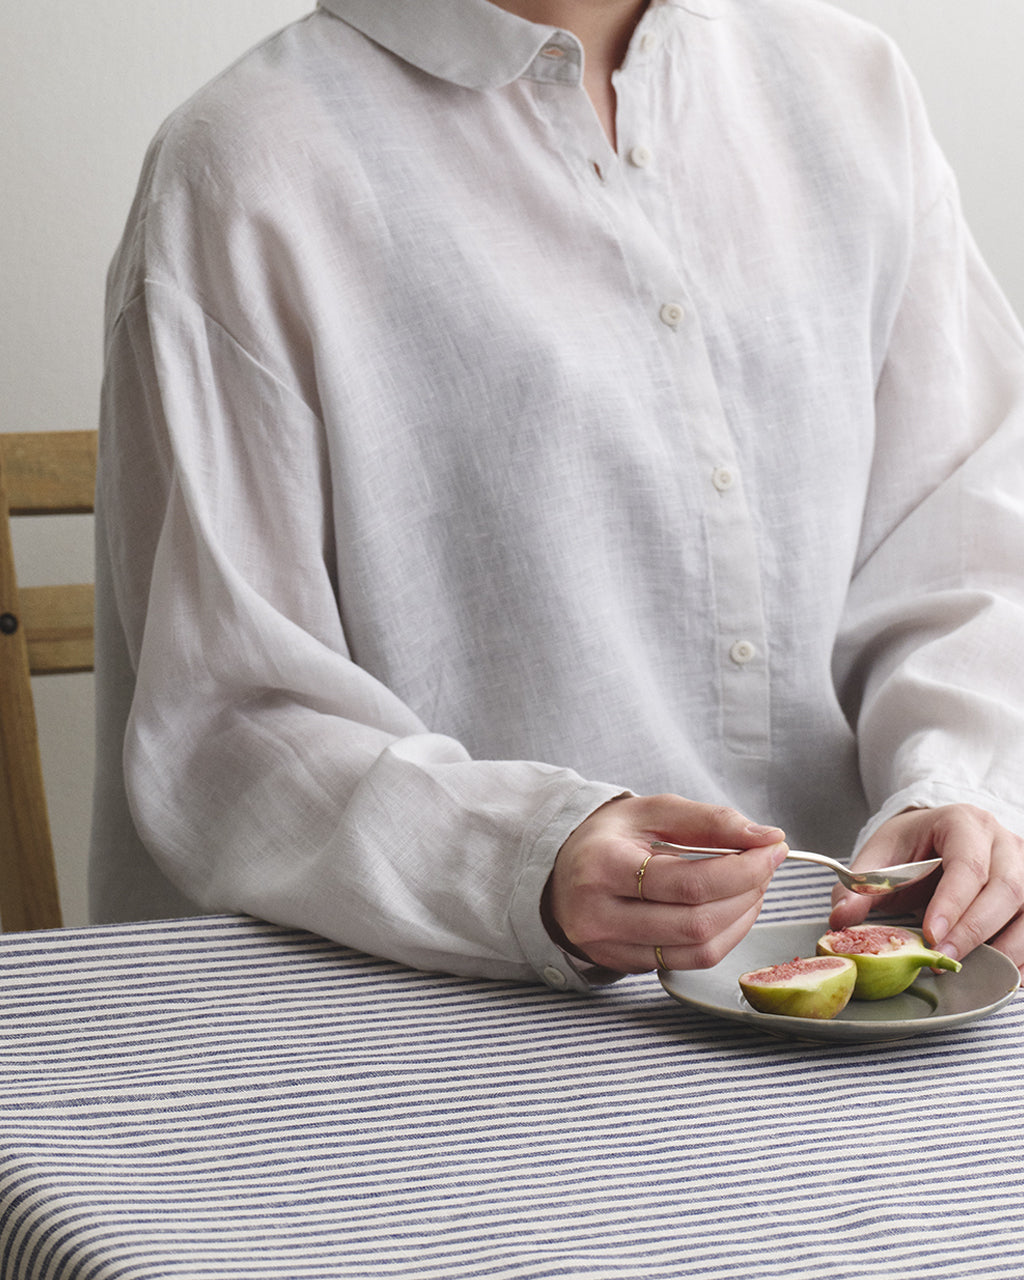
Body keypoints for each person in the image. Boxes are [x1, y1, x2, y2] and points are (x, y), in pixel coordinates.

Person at [92, 0, 1024, 992]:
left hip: (887, 1009)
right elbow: (227, 724)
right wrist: (522, 858)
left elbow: (966, 543)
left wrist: (956, 785)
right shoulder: (246, 162)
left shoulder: (852, 87)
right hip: (436, 1028)